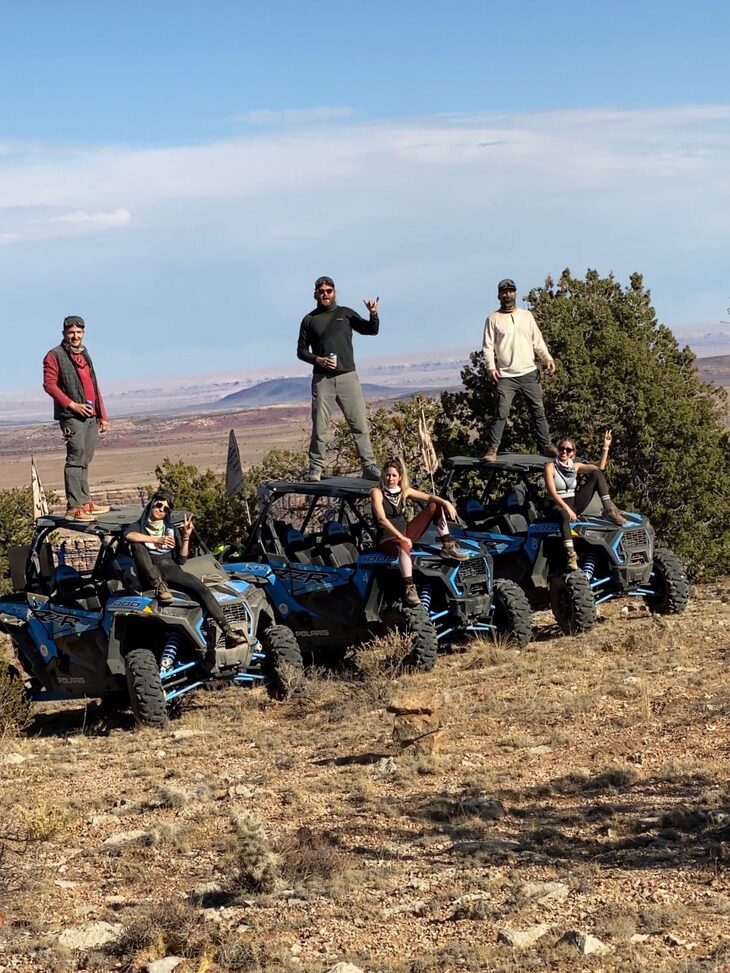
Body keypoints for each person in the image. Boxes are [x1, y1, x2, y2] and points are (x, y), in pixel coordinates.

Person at [124, 490, 246, 650]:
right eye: (159, 504)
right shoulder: (138, 526)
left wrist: (186, 536)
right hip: (149, 574)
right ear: (152, 503)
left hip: (169, 568)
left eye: (165, 509)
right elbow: (129, 535)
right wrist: (156, 539)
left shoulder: (170, 529)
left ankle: (227, 630)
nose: (161, 510)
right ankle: (159, 585)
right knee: (137, 545)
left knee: (201, 588)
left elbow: (181, 559)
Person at [297, 275, 381, 482]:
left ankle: (368, 465)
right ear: (315, 294)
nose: (325, 294)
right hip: (322, 379)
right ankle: (315, 468)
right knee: (320, 426)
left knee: (359, 423)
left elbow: (371, 330)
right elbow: (301, 351)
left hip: (347, 377)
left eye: (329, 291)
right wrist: (319, 360)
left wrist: (373, 314)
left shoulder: (346, 314)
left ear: (334, 292)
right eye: (321, 291)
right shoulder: (309, 320)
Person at [371, 457, 469, 607]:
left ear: (400, 477)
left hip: (405, 532)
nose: (390, 478)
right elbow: (381, 518)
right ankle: (409, 587)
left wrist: (445, 502)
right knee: (403, 543)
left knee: (434, 506)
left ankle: (448, 546)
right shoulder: (377, 492)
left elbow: (429, 496)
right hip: (388, 539)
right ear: (383, 475)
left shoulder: (404, 491)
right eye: (387, 475)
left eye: (394, 475)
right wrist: (401, 537)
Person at [42, 315, 111, 522]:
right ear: (64, 333)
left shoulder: (85, 353)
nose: (75, 336)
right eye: (71, 332)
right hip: (71, 416)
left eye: (79, 332)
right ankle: (74, 507)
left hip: (90, 415)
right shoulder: (54, 355)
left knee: (85, 460)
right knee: (75, 458)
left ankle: (85, 502)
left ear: (83, 333)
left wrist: (103, 415)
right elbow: (49, 385)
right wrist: (71, 404)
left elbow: (94, 385)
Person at [482, 278, 557, 461]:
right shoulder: (493, 319)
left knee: (538, 410)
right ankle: (492, 449)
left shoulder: (526, 316)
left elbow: (537, 341)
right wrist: (491, 367)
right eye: (504, 292)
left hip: (529, 372)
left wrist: (547, 358)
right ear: (499, 295)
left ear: (515, 293)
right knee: (502, 411)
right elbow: (488, 346)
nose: (508, 294)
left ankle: (546, 445)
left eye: (511, 291)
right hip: (506, 375)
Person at [544, 430, 628, 571]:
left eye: (568, 449)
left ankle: (610, 510)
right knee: (564, 515)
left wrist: (605, 447)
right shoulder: (550, 467)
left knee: (596, 474)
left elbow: (599, 467)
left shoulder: (575, 466)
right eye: (561, 449)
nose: (564, 452)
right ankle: (571, 555)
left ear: (572, 453)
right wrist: (568, 509)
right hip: (556, 505)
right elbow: (552, 493)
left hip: (573, 503)